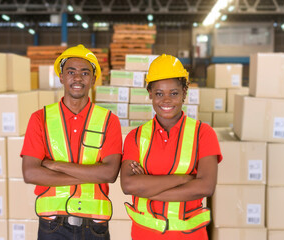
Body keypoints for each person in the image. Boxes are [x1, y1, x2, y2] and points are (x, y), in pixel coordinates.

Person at [21, 44, 122, 240]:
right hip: (52, 225)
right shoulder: (40, 118)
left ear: (93, 79)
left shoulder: (109, 121)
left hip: (94, 227)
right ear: (61, 77)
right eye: (71, 72)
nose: (77, 78)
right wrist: (93, 174)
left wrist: (54, 165)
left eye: (85, 73)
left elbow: (109, 173)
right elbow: (31, 172)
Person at [120, 54, 223, 240]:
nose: (166, 100)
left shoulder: (203, 134)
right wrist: (185, 178)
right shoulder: (136, 137)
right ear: (150, 93)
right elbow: (128, 185)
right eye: (159, 93)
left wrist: (147, 188)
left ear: (184, 92)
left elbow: (205, 187)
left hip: (190, 236)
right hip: (144, 235)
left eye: (173, 93)